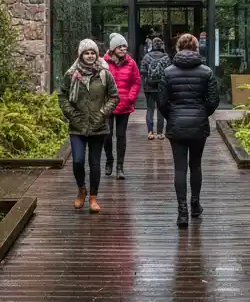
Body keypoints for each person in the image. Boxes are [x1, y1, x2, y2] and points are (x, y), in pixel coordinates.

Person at [157, 32, 220, 227]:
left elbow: (162, 102)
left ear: (177, 48)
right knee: (196, 165)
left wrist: (172, 116)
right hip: (198, 125)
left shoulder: (168, 72)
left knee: (180, 168)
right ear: (196, 48)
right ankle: (195, 205)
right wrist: (202, 113)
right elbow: (213, 101)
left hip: (177, 124)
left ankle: (182, 212)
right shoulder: (207, 72)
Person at [57, 38, 118, 213]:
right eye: (86, 53)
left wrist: (102, 114)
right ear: (81, 55)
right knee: (77, 161)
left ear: (96, 55)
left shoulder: (104, 73)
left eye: (93, 53)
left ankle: (93, 198)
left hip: (98, 126)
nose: (90, 56)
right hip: (77, 125)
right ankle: (81, 190)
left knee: (94, 163)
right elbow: (62, 96)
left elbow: (114, 96)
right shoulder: (71, 74)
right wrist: (72, 115)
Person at [102, 32, 140, 179]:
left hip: (125, 105)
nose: (123, 49)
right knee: (107, 134)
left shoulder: (131, 63)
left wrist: (130, 98)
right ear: (113, 49)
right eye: (120, 46)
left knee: (121, 136)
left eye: (125, 46)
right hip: (108, 104)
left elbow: (136, 82)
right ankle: (109, 160)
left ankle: (120, 167)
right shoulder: (104, 63)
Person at [139, 36, 171, 140]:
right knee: (161, 110)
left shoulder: (146, 57)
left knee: (150, 109)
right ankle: (160, 133)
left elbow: (142, 71)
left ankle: (150, 132)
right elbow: (169, 72)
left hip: (149, 87)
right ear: (161, 45)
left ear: (152, 45)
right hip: (162, 87)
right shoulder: (166, 57)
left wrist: (147, 80)